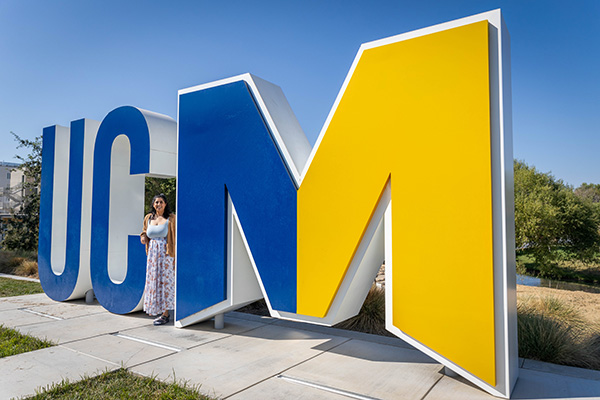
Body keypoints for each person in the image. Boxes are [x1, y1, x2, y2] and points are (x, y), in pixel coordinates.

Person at [140, 193, 176, 325]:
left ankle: (166, 314)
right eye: (156, 202)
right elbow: (145, 230)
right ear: (153, 204)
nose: (159, 204)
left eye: (161, 202)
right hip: (152, 255)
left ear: (165, 204)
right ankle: (157, 309)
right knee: (153, 282)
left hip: (165, 254)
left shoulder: (171, 218)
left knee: (165, 282)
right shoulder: (149, 218)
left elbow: (176, 235)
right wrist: (143, 235)